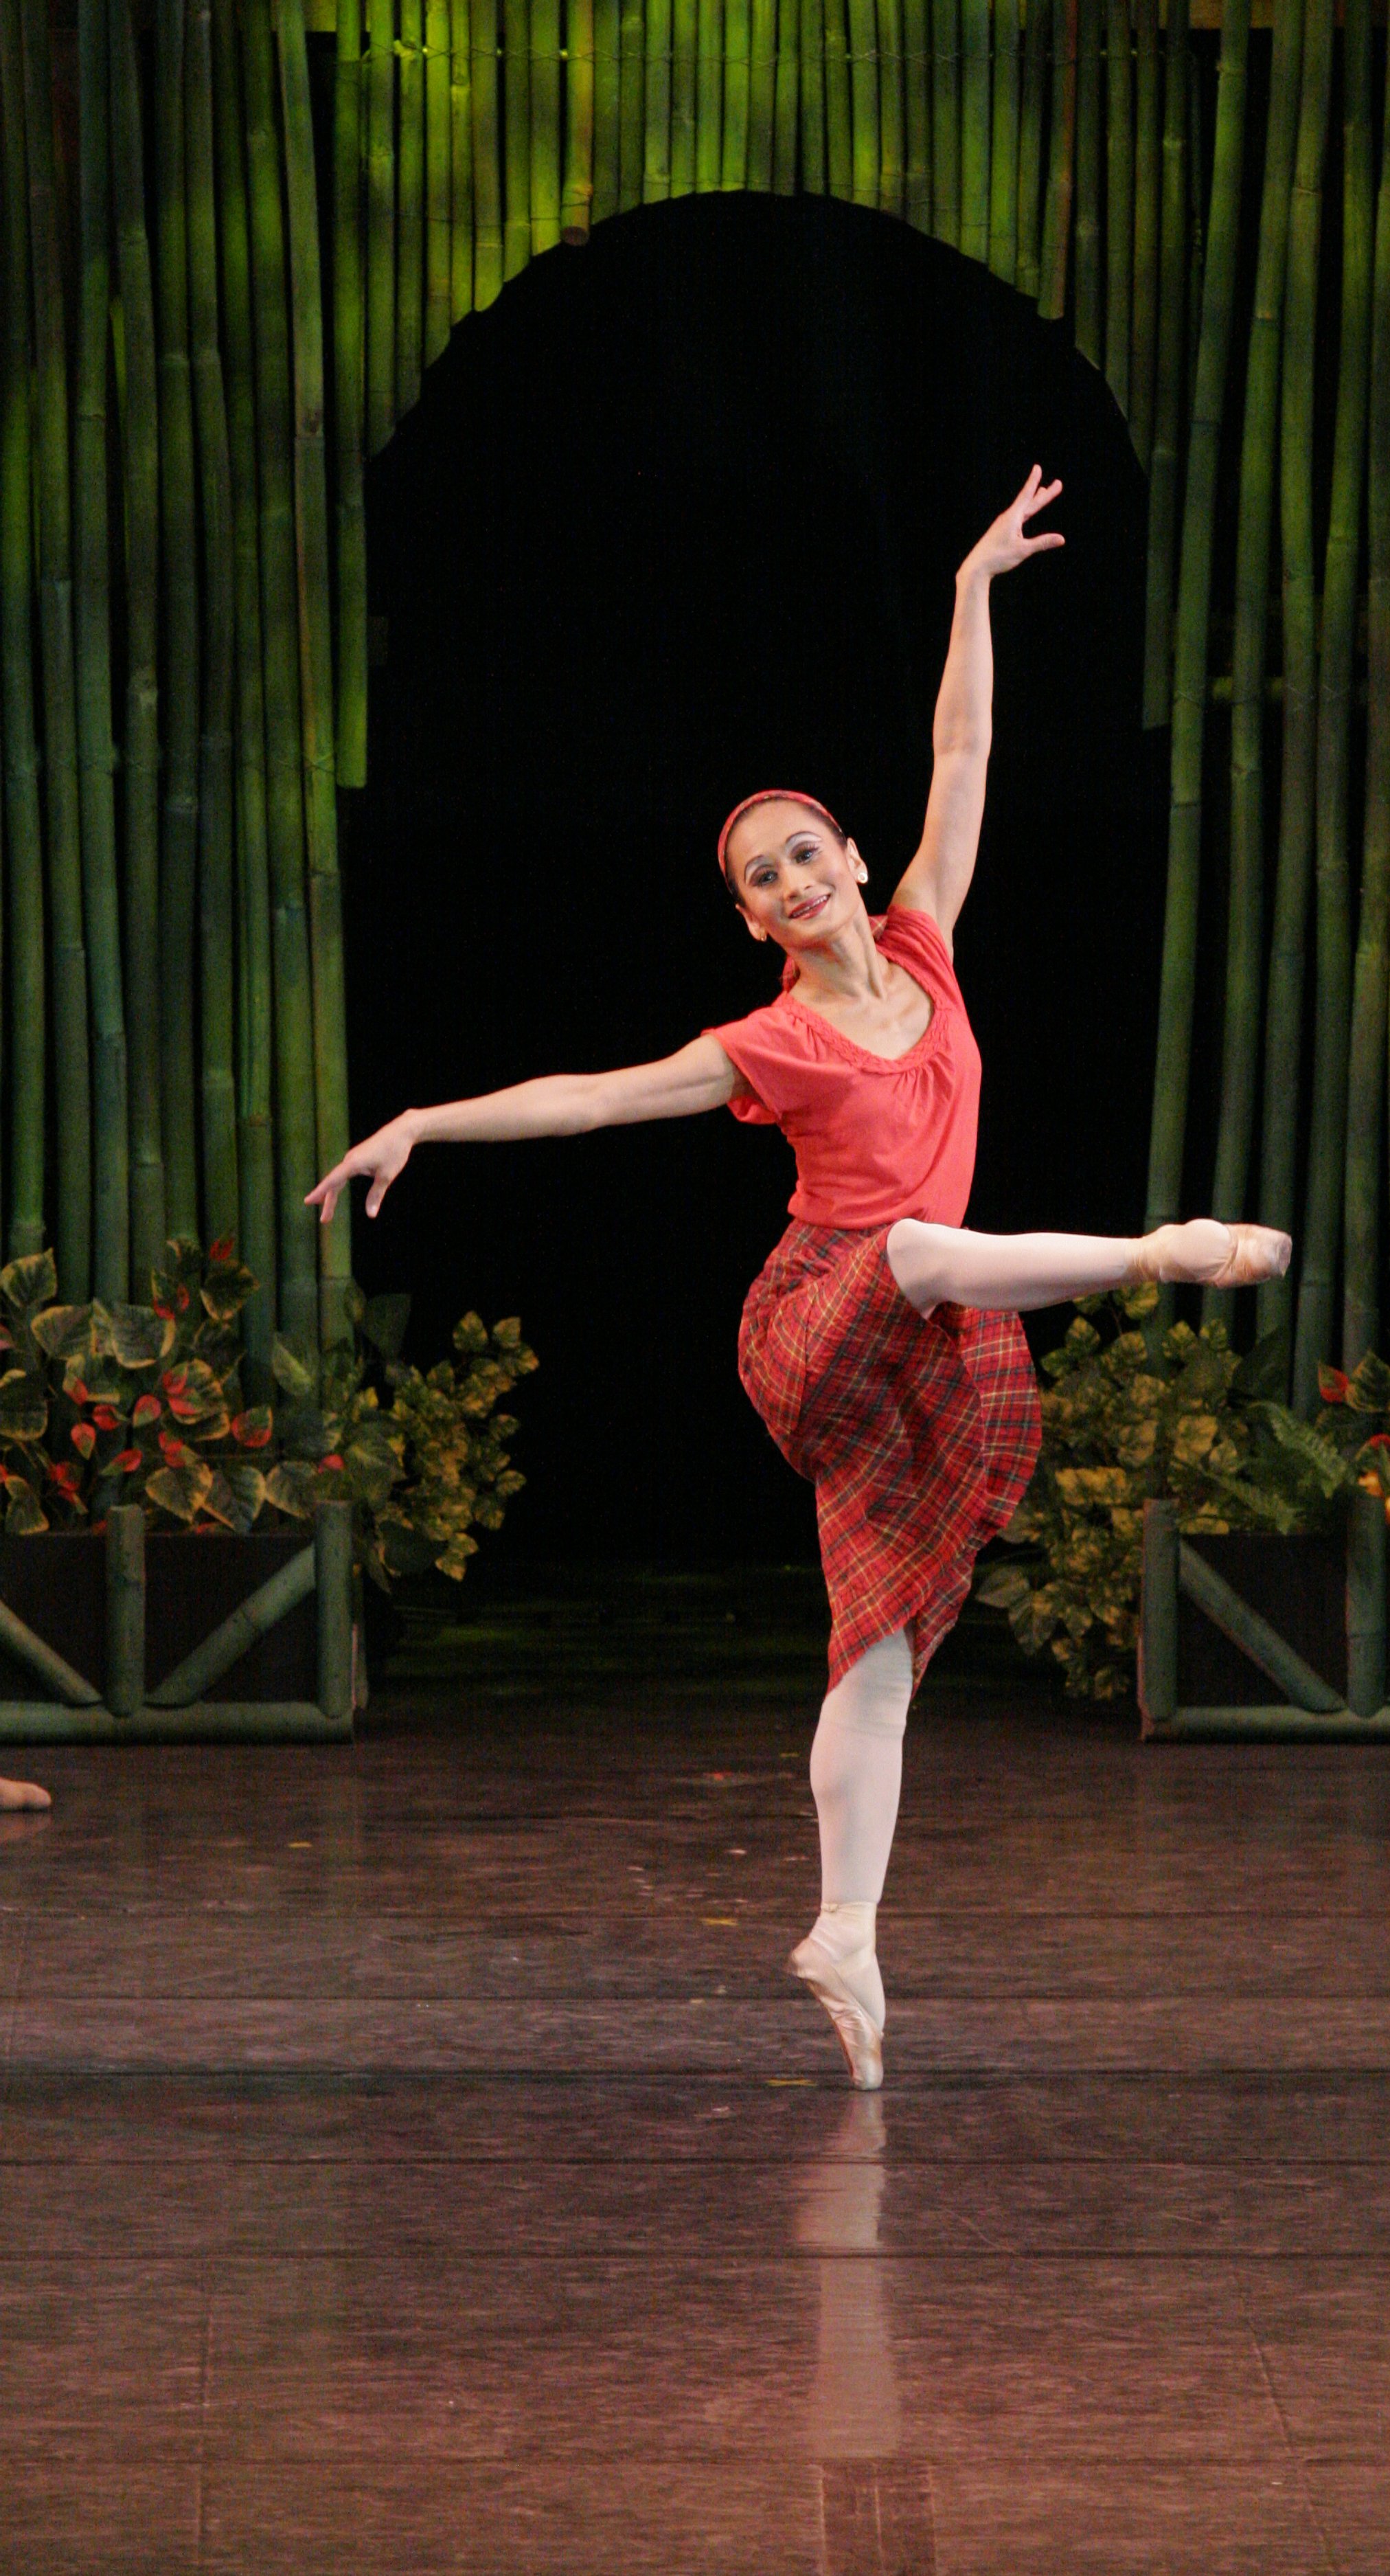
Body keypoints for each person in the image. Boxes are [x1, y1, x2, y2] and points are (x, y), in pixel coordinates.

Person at [306, 467, 1290, 2090]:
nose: (792, 882)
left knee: (879, 1647)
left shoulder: (922, 942)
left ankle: (844, 1926)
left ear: (843, 851)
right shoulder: (769, 1039)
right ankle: (1154, 1251)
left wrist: (972, 586)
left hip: (935, 1330)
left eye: (804, 852)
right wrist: (424, 1118)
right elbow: (591, 1096)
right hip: (818, 1317)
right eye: (761, 877)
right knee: (911, 1248)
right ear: (753, 915)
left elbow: (961, 755)